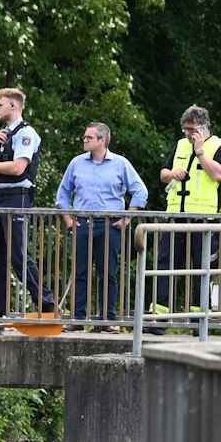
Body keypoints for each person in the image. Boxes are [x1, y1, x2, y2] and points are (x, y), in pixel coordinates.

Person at [54, 122, 147, 327]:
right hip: (83, 224)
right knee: (80, 272)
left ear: (102, 140)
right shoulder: (77, 163)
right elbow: (62, 194)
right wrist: (69, 221)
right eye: (85, 137)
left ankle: (107, 320)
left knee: (108, 273)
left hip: (110, 225)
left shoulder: (120, 164)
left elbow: (141, 191)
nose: (84, 141)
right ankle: (78, 319)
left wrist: (127, 218)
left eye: (89, 138)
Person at [154, 105, 221, 312]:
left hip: (204, 219)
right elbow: (163, 174)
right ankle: (159, 314)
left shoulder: (219, 146)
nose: (188, 134)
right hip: (176, 216)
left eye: (192, 129)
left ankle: (200, 317)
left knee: (203, 268)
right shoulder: (180, 145)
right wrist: (172, 173)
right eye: (185, 129)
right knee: (165, 265)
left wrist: (200, 152)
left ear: (204, 127)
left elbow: (218, 175)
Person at [0, 87, 46, 318]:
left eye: (0, 105)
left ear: (13, 106)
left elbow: (18, 167)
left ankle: (46, 302)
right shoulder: (1, 135)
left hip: (18, 197)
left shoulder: (26, 134)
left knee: (17, 255)